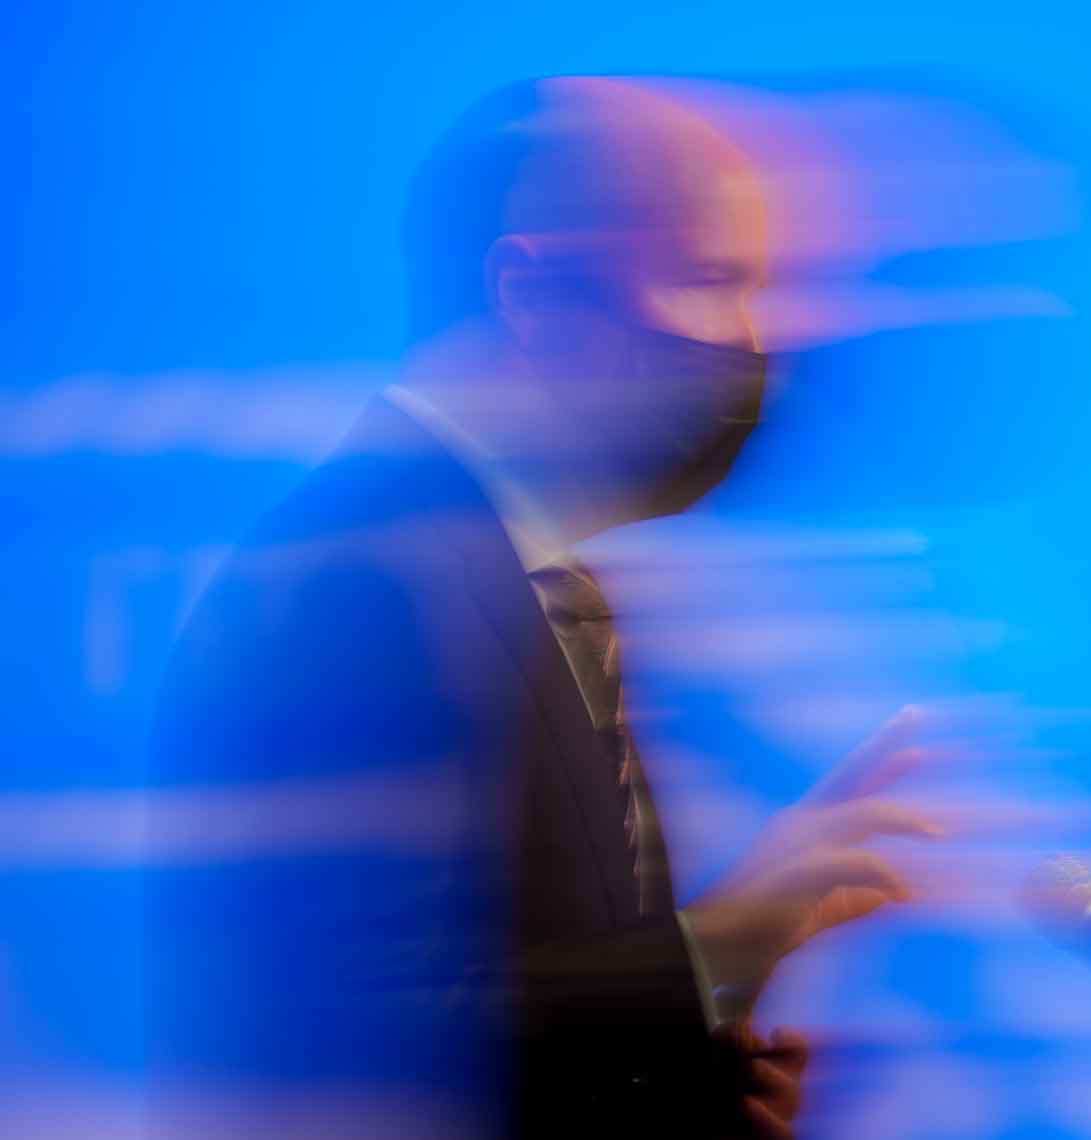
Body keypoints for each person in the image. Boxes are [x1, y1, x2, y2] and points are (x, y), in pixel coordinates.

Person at [145, 76, 939, 1138]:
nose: (759, 346)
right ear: (534, 293)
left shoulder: (539, 584)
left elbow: (543, 1014)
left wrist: (695, 1086)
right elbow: (375, 1038)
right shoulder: (354, 578)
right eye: (713, 278)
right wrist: (735, 934)